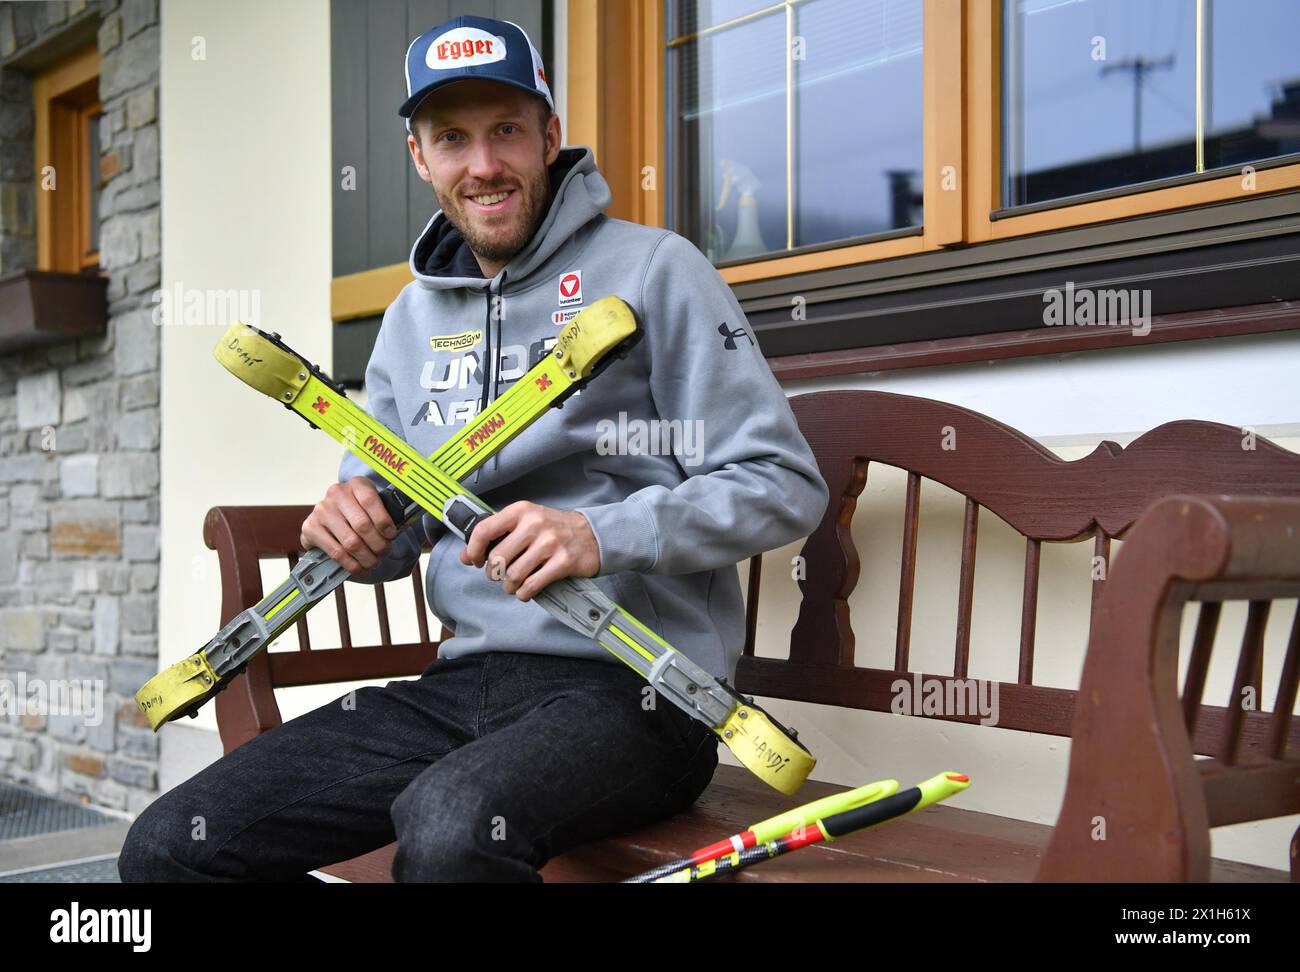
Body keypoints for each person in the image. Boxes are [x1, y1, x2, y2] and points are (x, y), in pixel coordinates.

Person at [117, 14, 828, 883]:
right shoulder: (410, 319)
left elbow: (783, 483)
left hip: (643, 695)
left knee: (453, 826)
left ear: (549, 136)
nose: (482, 164)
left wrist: (600, 535)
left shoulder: (656, 271)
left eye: (505, 131)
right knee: (169, 847)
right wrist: (348, 529)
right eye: (451, 138)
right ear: (420, 157)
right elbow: (388, 531)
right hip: (461, 685)